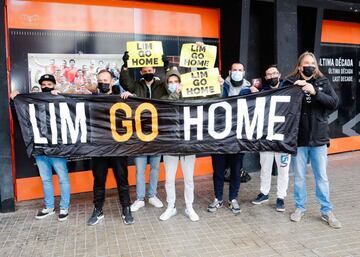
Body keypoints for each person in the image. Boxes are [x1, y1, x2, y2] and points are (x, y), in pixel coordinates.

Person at [285, 52, 341, 229]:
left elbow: (334, 103)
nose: (310, 65)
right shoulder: (290, 82)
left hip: (318, 138)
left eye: (312, 63)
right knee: (300, 177)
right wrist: (295, 88)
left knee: (321, 177)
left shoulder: (323, 82)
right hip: (299, 138)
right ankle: (300, 208)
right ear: (300, 66)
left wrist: (315, 92)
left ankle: (326, 210)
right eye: (306, 63)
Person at [10, 74, 70, 221]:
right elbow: (20, 114)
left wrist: (61, 97)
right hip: (39, 147)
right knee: (46, 180)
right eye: (43, 84)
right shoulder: (33, 101)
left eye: (49, 84)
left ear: (54, 85)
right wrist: (15, 100)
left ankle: (64, 207)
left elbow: (73, 110)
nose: (46, 87)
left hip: (57, 147)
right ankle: (49, 207)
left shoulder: (59, 98)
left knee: (63, 178)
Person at [120, 52, 168, 212]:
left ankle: (152, 195)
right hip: (139, 135)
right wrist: (125, 66)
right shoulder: (136, 86)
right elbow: (125, 82)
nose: (148, 72)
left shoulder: (161, 85)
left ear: (154, 70)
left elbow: (172, 85)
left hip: (156, 134)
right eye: (144, 71)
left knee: (155, 167)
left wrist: (166, 67)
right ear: (141, 72)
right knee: (140, 169)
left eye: (150, 70)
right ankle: (140, 198)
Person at [86, 69, 135, 226]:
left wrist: (132, 98)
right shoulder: (90, 99)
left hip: (117, 148)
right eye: (100, 80)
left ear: (112, 81)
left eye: (106, 80)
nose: (103, 83)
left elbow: (137, 109)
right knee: (99, 180)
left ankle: (126, 208)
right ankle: (98, 209)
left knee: (122, 179)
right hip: (98, 149)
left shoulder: (120, 98)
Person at [208, 62, 256, 214]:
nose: (236, 72)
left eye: (239, 70)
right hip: (219, 137)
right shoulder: (221, 86)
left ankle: (233, 198)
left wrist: (256, 93)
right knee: (218, 170)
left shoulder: (250, 90)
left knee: (236, 170)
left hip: (239, 137)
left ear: (244, 72)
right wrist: (218, 87)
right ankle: (218, 198)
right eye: (234, 70)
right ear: (229, 71)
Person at [158, 67, 199, 222]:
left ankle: (189, 207)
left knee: (189, 179)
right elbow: (169, 104)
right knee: (169, 179)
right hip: (170, 145)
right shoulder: (162, 98)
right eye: (171, 82)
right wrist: (177, 93)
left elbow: (211, 99)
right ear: (167, 84)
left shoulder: (190, 97)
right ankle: (171, 207)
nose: (174, 84)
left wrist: (219, 85)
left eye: (176, 81)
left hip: (188, 145)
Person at [251, 65, 291, 212]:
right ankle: (264, 193)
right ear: (266, 77)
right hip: (266, 138)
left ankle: (281, 197)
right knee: (265, 168)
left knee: (283, 169)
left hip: (283, 139)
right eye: (269, 74)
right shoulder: (263, 92)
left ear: (279, 74)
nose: (272, 75)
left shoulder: (289, 89)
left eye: (274, 73)